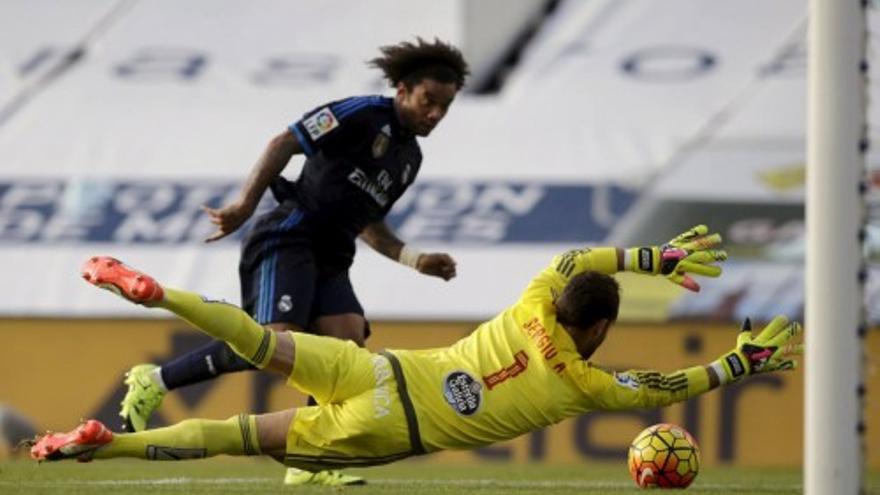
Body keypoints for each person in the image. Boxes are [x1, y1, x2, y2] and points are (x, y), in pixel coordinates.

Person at [31, 226, 801, 472]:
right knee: (238, 437)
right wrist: (739, 362)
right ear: (597, 329)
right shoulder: (585, 383)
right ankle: (114, 446)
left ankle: (160, 292)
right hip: (389, 426)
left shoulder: (534, 295)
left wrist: (652, 259)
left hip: (379, 365)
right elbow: (661, 382)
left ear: (561, 303)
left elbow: (577, 258)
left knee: (262, 339)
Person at [117, 38, 469, 486]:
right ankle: (157, 380)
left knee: (344, 347)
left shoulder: (409, 159)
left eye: (445, 107)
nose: (435, 114)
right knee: (277, 344)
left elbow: (369, 221)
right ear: (402, 90)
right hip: (290, 235)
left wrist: (415, 259)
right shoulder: (360, 112)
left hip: (334, 255)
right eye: (428, 101)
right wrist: (244, 206)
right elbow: (285, 140)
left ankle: (307, 462)